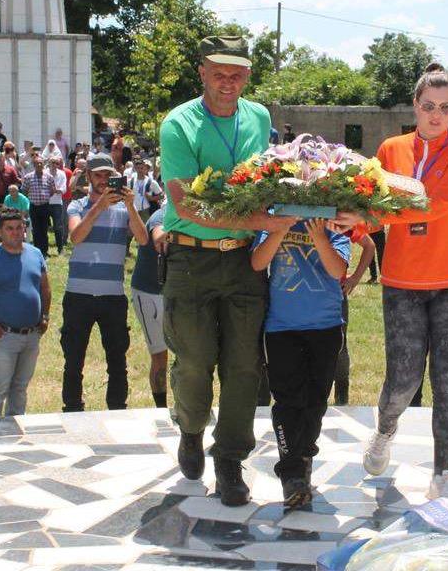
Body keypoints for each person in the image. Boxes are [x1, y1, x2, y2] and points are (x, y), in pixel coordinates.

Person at [159, 35, 296, 506]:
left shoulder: (258, 117)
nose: (227, 80)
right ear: (202, 70)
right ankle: (192, 429)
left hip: (245, 260)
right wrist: (265, 221)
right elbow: (187, 204)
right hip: (190, 258)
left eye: (237, 72)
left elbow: (269, 178)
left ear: (248, 76)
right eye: (219, 70)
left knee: (243, 367)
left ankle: (229, 460)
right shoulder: (179, 124)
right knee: (194, 361)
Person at [358, 64, 448, 500]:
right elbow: (369, 197)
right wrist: (353, 224)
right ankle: (384, 431)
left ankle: (443, 472)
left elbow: (440, 203)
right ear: (415, 105)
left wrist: (376, 213)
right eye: (428, 106)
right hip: (402, 280)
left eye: (445, 108)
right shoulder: (391, 148)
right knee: (403, 379)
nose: (436, 116)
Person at [252, 218, 350, 509]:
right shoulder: (272, 220)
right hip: (282, 327)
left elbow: (337, 270)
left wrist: (319, 234)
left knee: (316, 401)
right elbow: (258, 263)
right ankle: (292, 472)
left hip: (326, 325)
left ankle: (303, 456)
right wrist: (280, 228)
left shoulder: (334, 224)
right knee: (288, 400)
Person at [60, 153, 148, 412]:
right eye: (97, 175)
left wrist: (131, 206)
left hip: (112, 296)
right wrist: (98, 207)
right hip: (78, 294)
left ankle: (117, 409)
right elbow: (76, 237)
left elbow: (143, 240)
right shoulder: (77, 206)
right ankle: (73, 408)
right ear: (87, 177)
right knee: (74, 359)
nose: (102, 180)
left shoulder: (124, 209)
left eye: (107, 175)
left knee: (117, 359)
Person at [0, 210, 50, 420]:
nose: (15, 232)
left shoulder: (36, 254)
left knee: (20, 387)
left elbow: (45, 288)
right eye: (9, 229)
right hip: (3, 335)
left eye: (19, 227)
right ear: (0, 232)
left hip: (32, 334)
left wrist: (45, 317)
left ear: (24, 228)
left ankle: (15, 427)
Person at [130, 204, 170, 408]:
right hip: (149, 292)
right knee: (159, 354)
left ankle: (185, 405)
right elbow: (158, 240)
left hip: (172, 294)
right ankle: (161, 408)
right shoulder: (160, 216)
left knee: (186, 353)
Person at [333, 231, 376, 405]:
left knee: (340, 346)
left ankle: (342, 395)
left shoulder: (341, 215)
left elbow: (369, 245)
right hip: (302, 294)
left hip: (335, 294)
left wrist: (355, 278)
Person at [21, 156, 57, 255]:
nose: (39, 165)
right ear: (34, 165)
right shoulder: (28, 177)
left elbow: (52, 190)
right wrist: (31, 197)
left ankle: (45, 250)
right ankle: (37, 251)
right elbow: (24, 190)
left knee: (44, 229)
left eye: (41, 163)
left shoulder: (49, 177)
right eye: (37, 163)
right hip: (34, 207)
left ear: (43, 165)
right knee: (36, 230)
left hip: (45, 206)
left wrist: (45, 197)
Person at [46, 157, 69, 253]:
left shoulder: (62, 173)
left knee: (58, 227)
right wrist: (55, 190)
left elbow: (63, 189)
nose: (55, 165)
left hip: (57, 203)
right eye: (53, 163)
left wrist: (54, 190)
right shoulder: (44, 172)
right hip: (45, 203)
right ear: (49, 163)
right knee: (44, 227)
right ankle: (44, 248)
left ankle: (60, 248)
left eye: (57, 163)